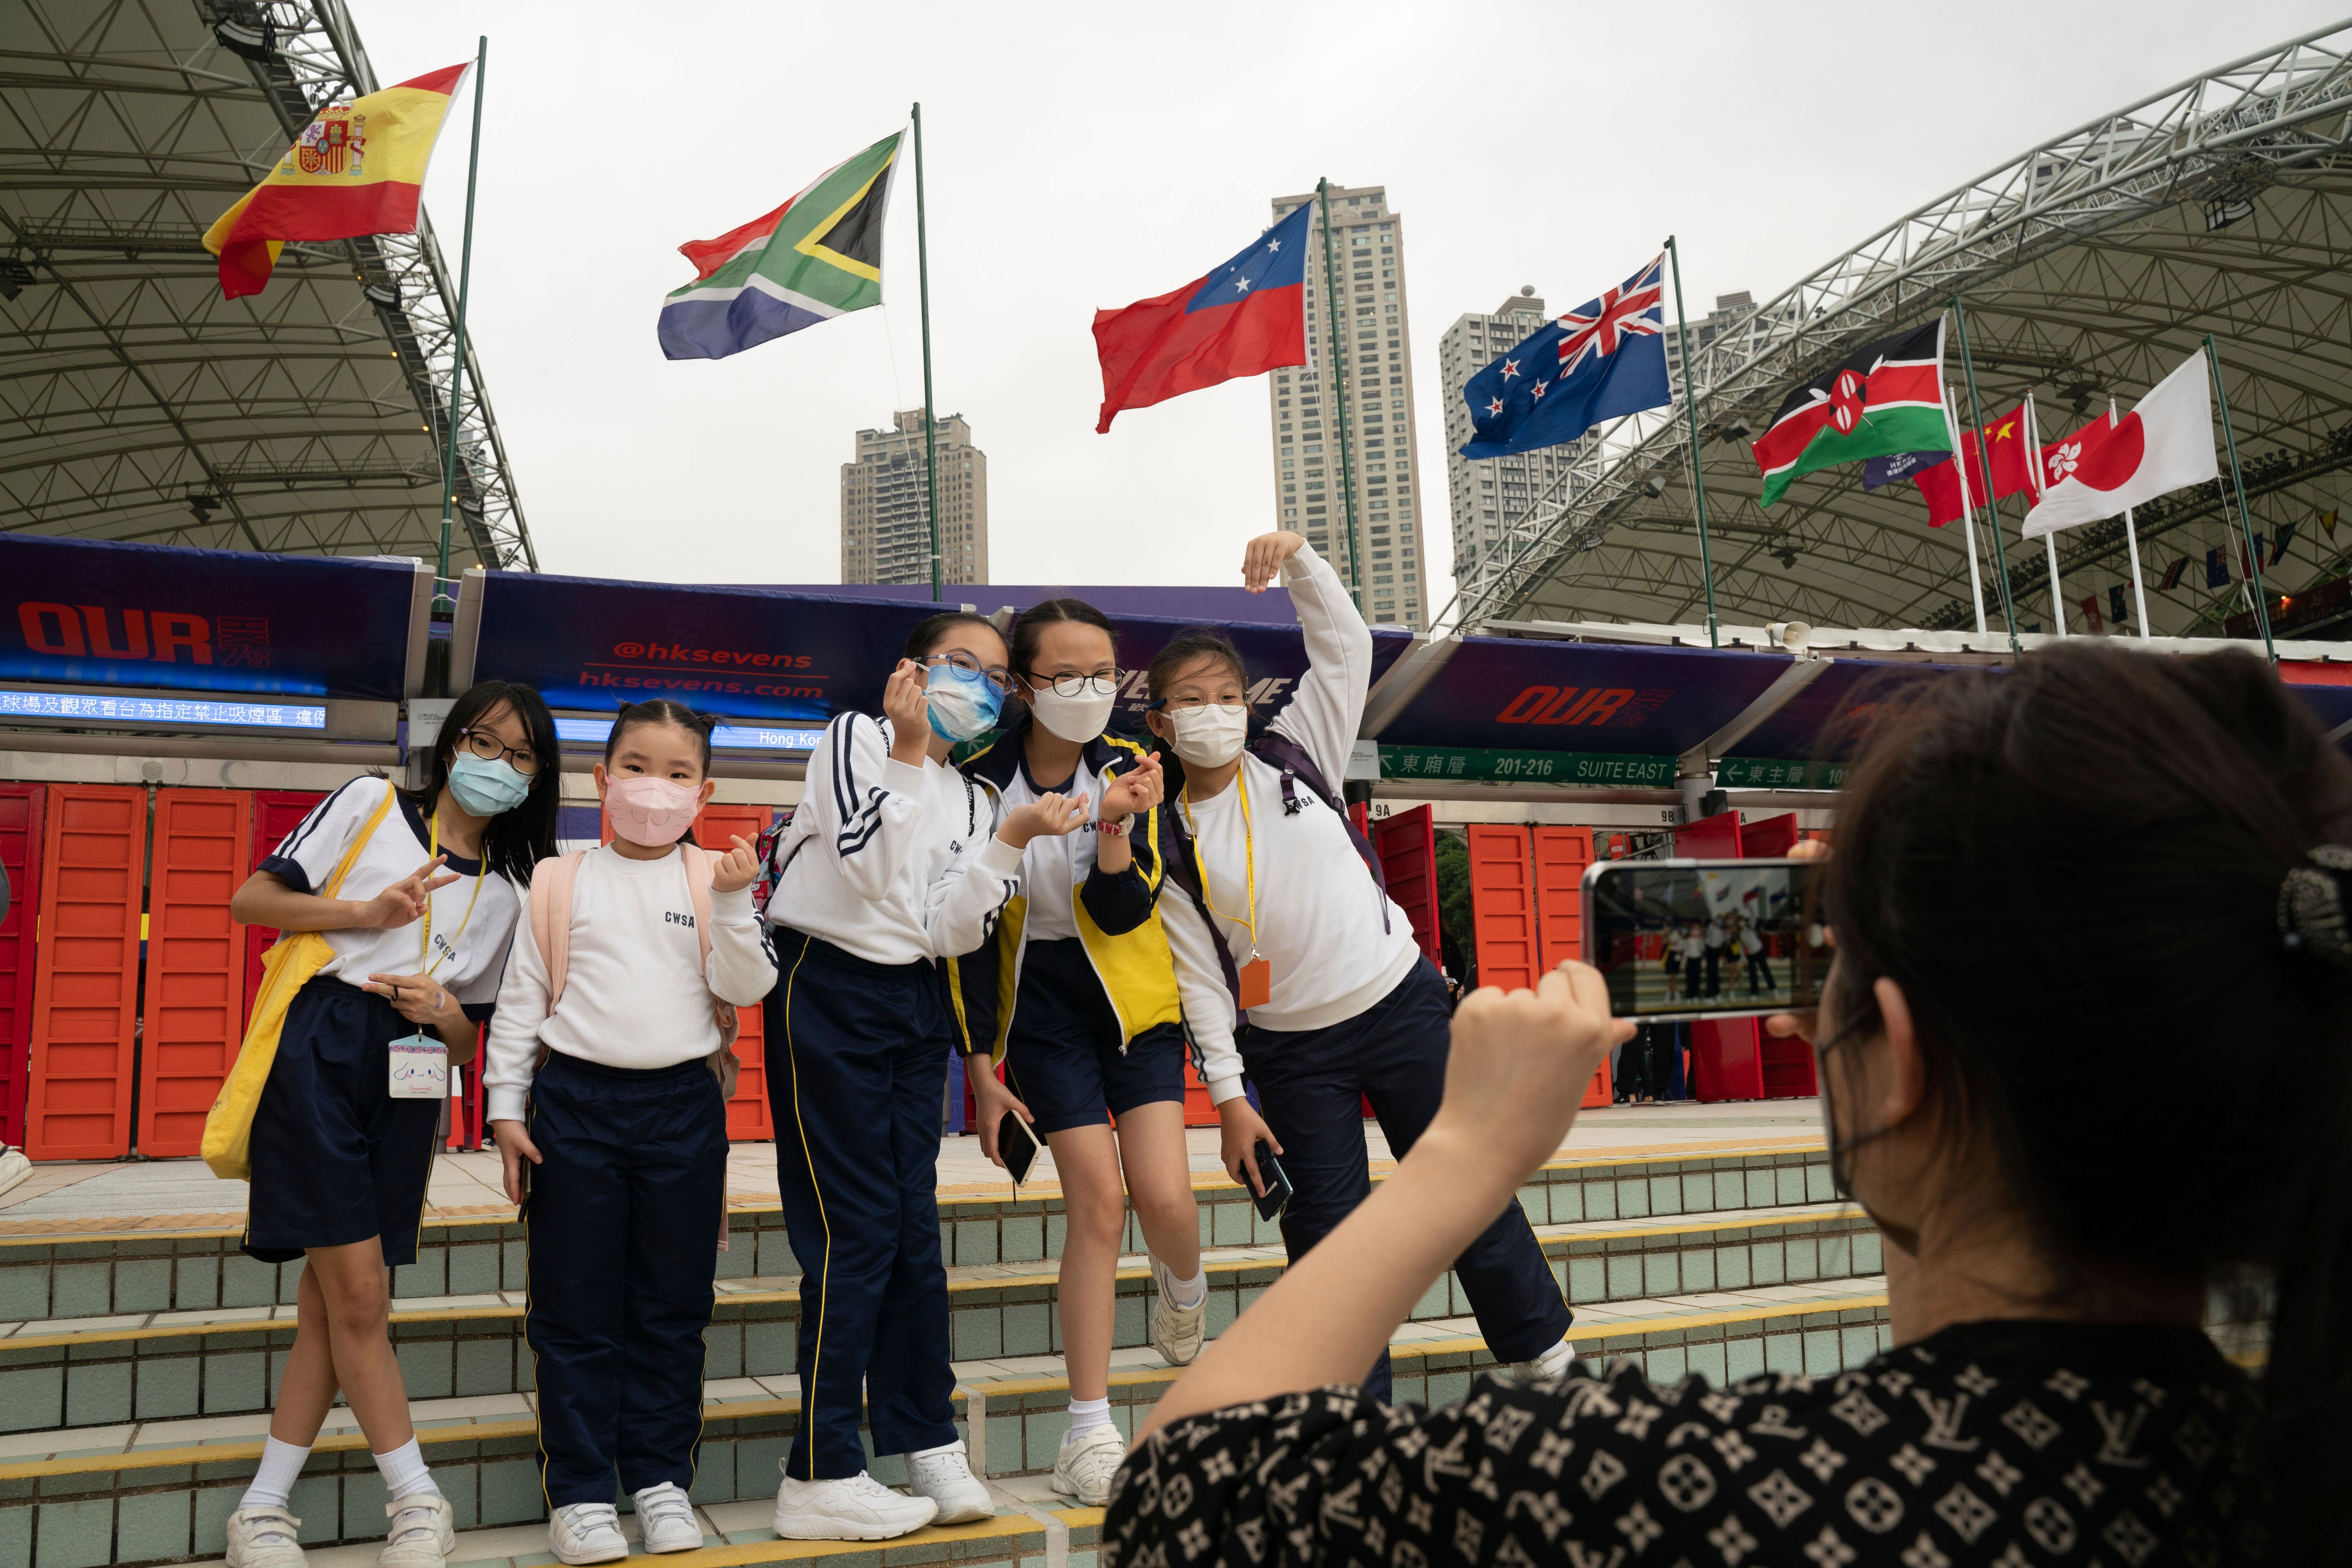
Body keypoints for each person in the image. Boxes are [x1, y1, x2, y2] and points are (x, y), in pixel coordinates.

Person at [1106, 642, 2352, 1567]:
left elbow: (1175, 1499)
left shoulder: (1685, 1490)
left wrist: (1460, 1155)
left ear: (1898, 1066)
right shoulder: (2284, 1464)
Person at [1148, 530, 1570, 1408]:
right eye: (1192, 700)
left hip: (1401, 1005)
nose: (1215, 710)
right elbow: (1198, 982)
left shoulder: (1296, 747)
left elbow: (1344, 646)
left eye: (1227, 694)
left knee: (1463, 1182)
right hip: (1291, 1052)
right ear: (1161, 722)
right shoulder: (1171, 834)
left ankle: (1543, 1355)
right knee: (1327, 1234)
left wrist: (1300, 560)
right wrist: (1230, 1101)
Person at [759, 613, 1088, 1541]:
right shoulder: (855, 738)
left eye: (995, 676)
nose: (979, 686)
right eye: (961, 664)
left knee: (910, 1227)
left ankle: (927, 1437)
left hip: (911, 1006)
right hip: (825, 983)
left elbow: (951, 932)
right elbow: (865, 871)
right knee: (851, 1227)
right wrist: (906, 751)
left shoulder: (979, 797)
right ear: (910, 667)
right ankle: (818, 1471)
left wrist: (1009, 840)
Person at [223, 681, 559, 1568]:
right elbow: (253, 901)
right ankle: (417, 1497)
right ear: (450, 744)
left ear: (539, 776)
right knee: (363, 1295)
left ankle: (261, 1509)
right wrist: (364, 914)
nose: (497, 764)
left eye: (520, 754)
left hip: (411, 1071)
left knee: (330, 1303)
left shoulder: (510, 890)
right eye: (484, 742)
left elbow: (463, 1039)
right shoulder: (369, 804)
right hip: (321, 1045)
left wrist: (444, 1008)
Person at [481, 702, 777, 1564]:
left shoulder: (711, 876)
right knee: (574, 1309)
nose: (658, 786)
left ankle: (659, 1481)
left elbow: (749, 984)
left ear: (705, 789)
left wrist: (730, 899)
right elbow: (522, 1000)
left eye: (679, 772)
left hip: (683, 1107)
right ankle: (578, 1493)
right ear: (603, 779)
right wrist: (506, 1106)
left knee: (672, 1306)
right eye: (638, 766)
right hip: (574, 1105)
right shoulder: (561, 877)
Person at [937, 597, 1212, 1507]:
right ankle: (1087, 1432)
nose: (1090, 689)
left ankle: (1184, 1283)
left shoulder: (1135, 767)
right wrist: (981, 1068)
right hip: (1041, 1010)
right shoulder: (979, 779)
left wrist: (1111, 827)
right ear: (1023, 684)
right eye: (1065, 674)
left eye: (1104, 672)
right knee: (1098, 1201)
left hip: (1135, 996)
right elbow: (968, 938)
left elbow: (1125, 910)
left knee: (1167, 1198)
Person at [1740, 911, 1775, 996]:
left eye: (1742, 921)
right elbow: (1741, 948)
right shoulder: (1739, 934)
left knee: (1766, 971)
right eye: (1739, 922)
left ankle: (1774, 990)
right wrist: (1743, 960)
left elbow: (1754, 915)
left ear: (1745, 922)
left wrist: (1749, 907)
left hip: (1759, 951)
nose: (1741, 923)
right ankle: (1754, 994)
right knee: (1753, 975)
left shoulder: (1750, 927)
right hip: (1750, 955)